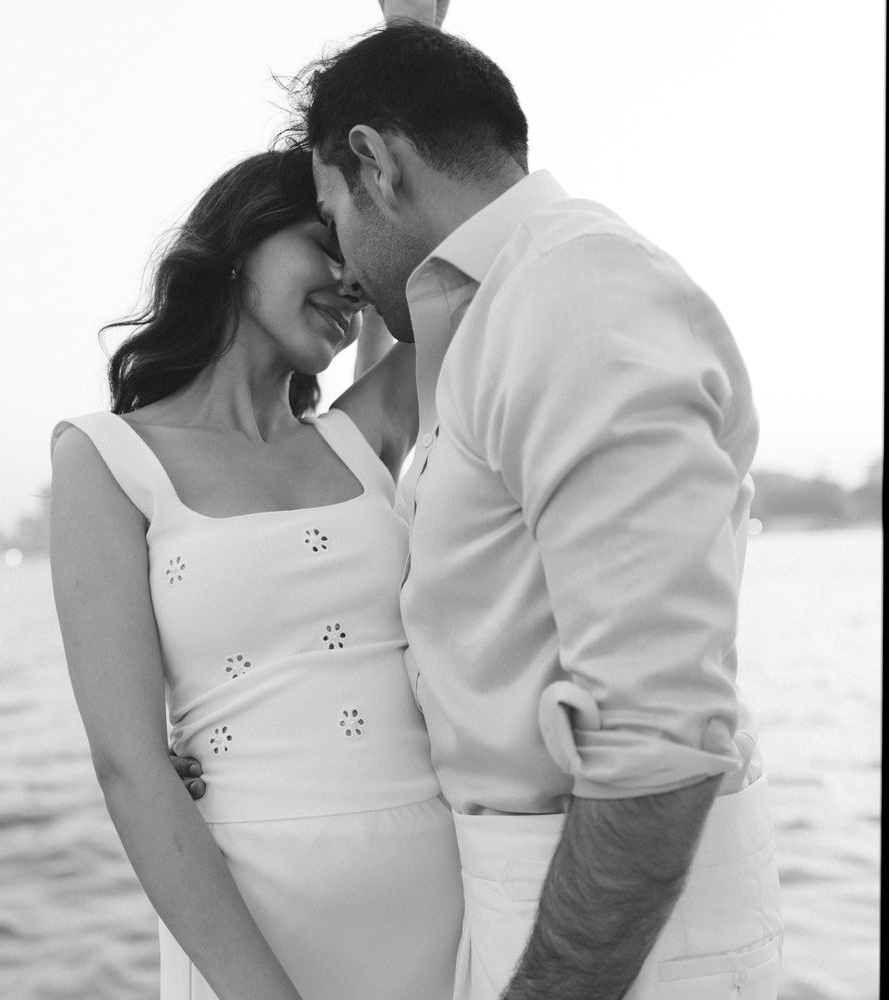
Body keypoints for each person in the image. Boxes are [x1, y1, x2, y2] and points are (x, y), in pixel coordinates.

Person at [285, 18, 783, 1000]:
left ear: (375, 164)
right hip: (548, 898)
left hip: (618, 929)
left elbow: (656, 740)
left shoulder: (576, 296)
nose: (341, 265)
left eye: (329, 213)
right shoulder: (500, 313)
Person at [49, 137, 465, 996]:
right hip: (251, 922)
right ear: (242, 243)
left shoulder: (363, 436)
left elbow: (456, 264)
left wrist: (406, 50)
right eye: (325, 241)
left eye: (359, 255)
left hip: (442, 897)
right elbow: (127, 764)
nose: (353, 280)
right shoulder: (108, 459)